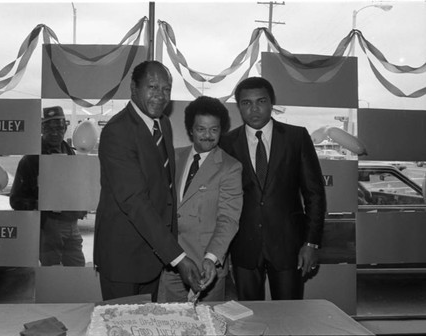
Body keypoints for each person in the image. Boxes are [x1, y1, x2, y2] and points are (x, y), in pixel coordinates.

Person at [94, 60, 202, 301]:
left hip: (153, 255)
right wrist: (178, 257)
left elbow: (165, 189)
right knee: (121, 326)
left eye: (166, 89)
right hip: (122, 256)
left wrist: (170, 248)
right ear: (133, 88)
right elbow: (134, 200)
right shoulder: (117, 131)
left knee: (145, 324)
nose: (160, 95)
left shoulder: (162, 123)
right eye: (152, 87)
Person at [220, 77, 326, 300]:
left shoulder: (296, 138)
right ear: (239, 106)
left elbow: (314, 194)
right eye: (246, 103)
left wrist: (311, 243)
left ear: (272, 103)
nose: (254, 109)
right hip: (244, 247)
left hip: (289, 246)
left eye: (261, 101)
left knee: (288, 318)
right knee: (250, 319)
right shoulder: (227, 143)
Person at [158, 96, 243, 303]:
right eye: (201, 129)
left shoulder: (230, 167)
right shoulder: (172, 158)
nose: (207, 135)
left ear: (221, 130)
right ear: (190, 130)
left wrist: (211, 258)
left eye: (214, 130)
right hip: (171, 262)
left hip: (206, 268)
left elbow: (228, 219)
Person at [10, 106, 87, 267]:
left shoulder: (70, 154)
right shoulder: (31, 159)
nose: (54, 132)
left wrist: (82, 204)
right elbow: (16, 201)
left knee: (77, 270)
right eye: (49, 128)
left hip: (72, 224)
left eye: (59, 128)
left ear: (65, 128)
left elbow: (76, 187)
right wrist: (45, 206)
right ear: (41, 129)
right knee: (51, 274)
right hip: (49, 226)